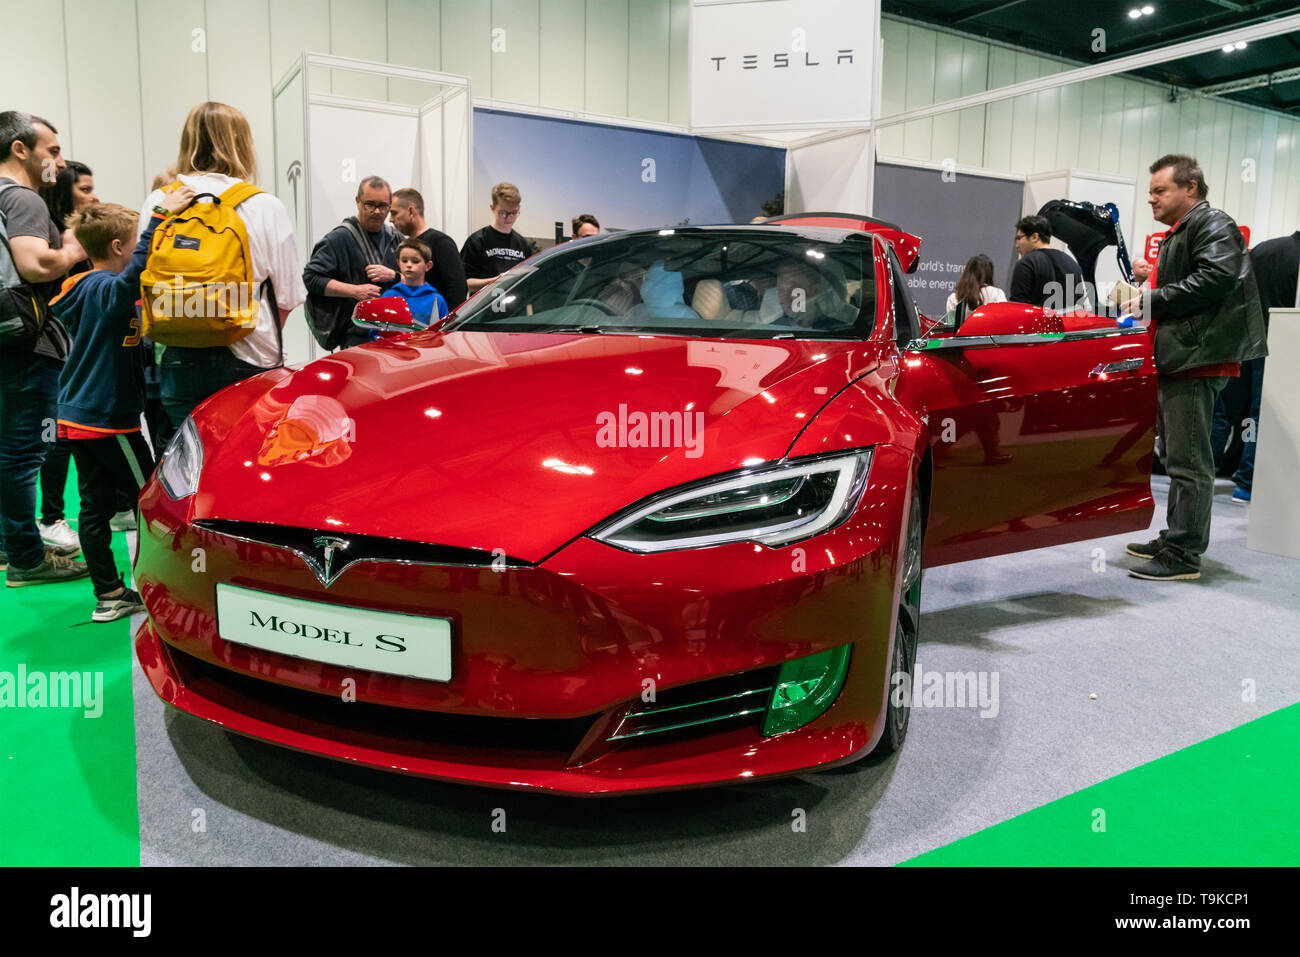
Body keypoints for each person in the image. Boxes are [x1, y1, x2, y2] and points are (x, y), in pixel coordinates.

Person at [1121, 154, 1267, 581]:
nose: (1151, 199)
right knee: (1180, 457)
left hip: (1197, 358)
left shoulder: (1212, 223)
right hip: (1185, 356)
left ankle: (1184, 554)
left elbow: (1216, 277)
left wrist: (1153, 299)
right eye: (1150, 192)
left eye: (1159, 191)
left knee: (1188, 460)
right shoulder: (1189, 229)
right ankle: (1176, 537)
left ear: (1191, 188)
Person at [52, 193, 193, 619]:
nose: (139, 251)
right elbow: (130, 279)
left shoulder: (84, 288)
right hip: (108, 420)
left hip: (79, 416)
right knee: (150, 498)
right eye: (136, 242)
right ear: (118, 247)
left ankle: (109, 595)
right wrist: (161, 217)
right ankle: (161, 585)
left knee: (93, 508)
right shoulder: (103, 288)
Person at [138, 102, 305, 426]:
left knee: (185, 463)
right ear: (242, 144)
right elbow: (286, 298)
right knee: (243, 461)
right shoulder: (264, 205)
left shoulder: (160, 201)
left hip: (176, 357)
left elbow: (144, 274)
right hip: (250, 356)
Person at [0, 110, 89, 585]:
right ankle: (26, 558)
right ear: (21, 149)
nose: (58, 160)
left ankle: (8, 544)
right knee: (24, 453)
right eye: (51, 150)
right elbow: (36, 266)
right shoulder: (23, 199)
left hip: (6, 338)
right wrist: (74, 246)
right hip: (27, 342)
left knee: (6, 449)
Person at [36, 158, 99, 554]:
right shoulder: (54, 236)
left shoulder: (80, 234)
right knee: (52, 437)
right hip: (57, 349)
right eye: (85, 189)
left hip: (82, 349)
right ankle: (50, 518)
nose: (94, 196)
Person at [1210, 230, 1296, 503]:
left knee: (1225, 412)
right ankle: (1245, 483)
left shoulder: (1263, 249)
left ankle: (1206, 474)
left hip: (1242, 339)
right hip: (1276, 345)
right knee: (1257, 415)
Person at [302, 175, 400, 350]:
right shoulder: (339, 238)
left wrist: (394, 275)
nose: (377, 212)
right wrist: (355, 291)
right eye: (370, 204)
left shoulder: (395, 238)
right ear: (358, 201)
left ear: (390, 205)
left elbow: (416, 275)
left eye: (383, 206)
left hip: (394, 332)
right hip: (355, 337)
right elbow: (311, 277)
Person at [389, 187, 467, 309]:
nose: (391, 219)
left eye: (394, 213)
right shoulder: (405, 244)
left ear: (411, 211)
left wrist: (446, 324)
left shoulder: (441, 242)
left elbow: (457, 287)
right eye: (404, 261)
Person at [460, 182, 539, 294]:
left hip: (516, 310)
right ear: (492, 208)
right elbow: (463, 284)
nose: (509, 218)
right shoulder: (477, 241)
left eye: (514, 212)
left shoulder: (523, 244)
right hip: (484, 309)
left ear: (518, 208)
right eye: (503, 213)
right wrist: (495, 282)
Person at [1008, 215, 1086, 310]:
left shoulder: (1026, 264)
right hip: (1067, 324)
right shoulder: (1071, 262)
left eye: (1019, 238)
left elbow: (1018, 307)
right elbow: (1079, 305)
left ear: (1034, 237)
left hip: (1037, 324)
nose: (1016, 245)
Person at [377, 238, 449, 332]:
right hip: (394, 346)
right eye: (404, 260)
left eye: (415, 261)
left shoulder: (437, 300)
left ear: (428, 266)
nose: (409, 265)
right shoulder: (388, 297)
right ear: (398, 263)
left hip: (426, 346)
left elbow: (445, 333)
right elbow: (376, 332)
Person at [945, 254, 1006, 330]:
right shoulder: (997, 294)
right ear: (990, 273)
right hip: (990, 341)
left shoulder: (953, 298)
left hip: (960, 341)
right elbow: (1003, 322)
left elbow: (951, 329)